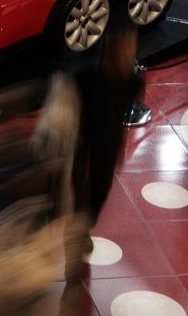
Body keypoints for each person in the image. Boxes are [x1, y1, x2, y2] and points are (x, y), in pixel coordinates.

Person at [63, 19, 142, 302]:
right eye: (125, 47)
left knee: (100, 194)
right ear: (112, 48)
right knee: (79, 197)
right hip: (82, 147)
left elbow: (123, 117)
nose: (129, 53)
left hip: (106, 150)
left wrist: (120, 150)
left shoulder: (133, 80)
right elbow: (69, 103)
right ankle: (74, 248)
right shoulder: (87, 76)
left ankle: (81, 229)